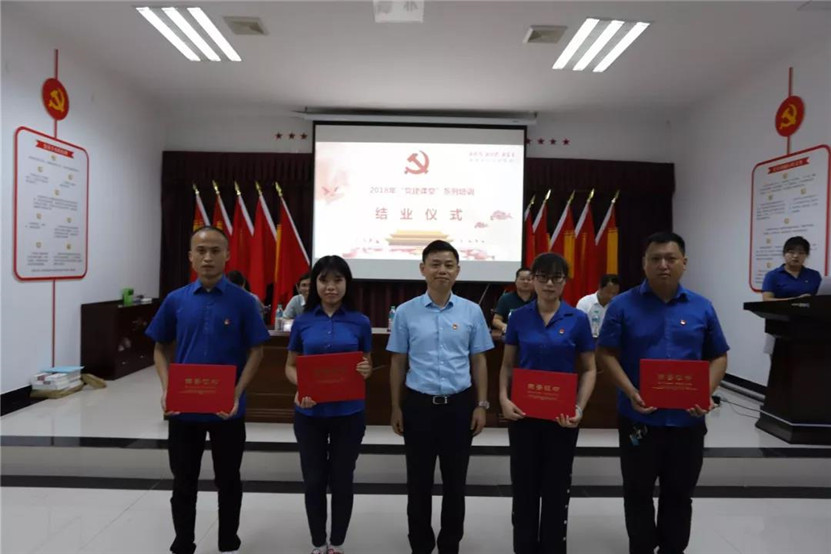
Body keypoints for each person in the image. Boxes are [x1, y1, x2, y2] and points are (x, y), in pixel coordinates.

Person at [595, 231, 729, 554]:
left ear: (684, 263)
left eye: (671, 258)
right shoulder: (622, 305)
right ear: (644, 263)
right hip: (638, 419)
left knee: (679, 494)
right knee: (637, 492)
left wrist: (704, 393)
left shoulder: (702, 307)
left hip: (687, 421)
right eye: (655, 259)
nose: (663, 265)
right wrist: (630, 391)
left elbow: (719, 356)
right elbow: (605, 354)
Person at [146, 225, 270, 554]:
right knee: (183, 480)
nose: (208, 257)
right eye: (201, 251)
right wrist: (167, 389)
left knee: (228, 479)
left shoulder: (243, 302)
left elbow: (257, 351)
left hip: (227, 409)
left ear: (227, 255)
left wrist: (237, 392)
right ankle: (183, 540)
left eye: (215, 250)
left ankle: (228, 539)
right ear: (190, 256)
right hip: (183, 409)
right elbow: (160, 347)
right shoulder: (176, 300)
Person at [387, 240, 494, 554]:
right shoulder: (405, 312)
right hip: (418, 405)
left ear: (458, 271)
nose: (442, 271)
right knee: (418, 482)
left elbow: (479, 360)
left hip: (459, 406)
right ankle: (420, 544)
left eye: (448, 265)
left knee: (455, 483)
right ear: (423, 269)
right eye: (435, 264)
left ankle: (450, 544)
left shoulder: (471, 311)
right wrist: (395, 406)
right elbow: (398, 362)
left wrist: (481, 405)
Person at [498, 253, 597, 554]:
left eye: (556, 277)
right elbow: (507, 365)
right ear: (533, 280)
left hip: (562, 420)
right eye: (542, 277)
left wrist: (579, 408)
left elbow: (589, 369)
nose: (549, 284)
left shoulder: (577, 319)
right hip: (523, 416)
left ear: (565, 281)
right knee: (524, 489)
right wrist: (503, 398)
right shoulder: (519, 317)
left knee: (556, 491)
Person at [284, 256, 373, 554]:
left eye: (337, 280)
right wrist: (301, 388)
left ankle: (337, 541)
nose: (330, 287)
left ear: (347, 283)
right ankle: (317, 541)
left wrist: (365, 370)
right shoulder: (303, 321)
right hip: (309, 413)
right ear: (315, 284)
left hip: (349, 413)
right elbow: (290, 366)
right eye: (324, 280)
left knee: (342, 478)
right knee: (313, 480)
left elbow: (366, 364)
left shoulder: (360, 321)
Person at [761, 236, 822, 301]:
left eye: (801, 253)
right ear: (784, 254)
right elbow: (766, 300)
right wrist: (796, 300)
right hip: (781, 308)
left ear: (806, 255)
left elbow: (821, 298)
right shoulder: (772, 275)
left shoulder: (814, 275)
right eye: (791, 252)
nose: (796, 256)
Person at [492, 267, 534, 333]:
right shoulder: (506, 298)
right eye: (522, 279)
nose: (525, 282)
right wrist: (506, 327)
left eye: (529, 279)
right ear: (516, 281)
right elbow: (496, 320)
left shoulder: (540, 299)